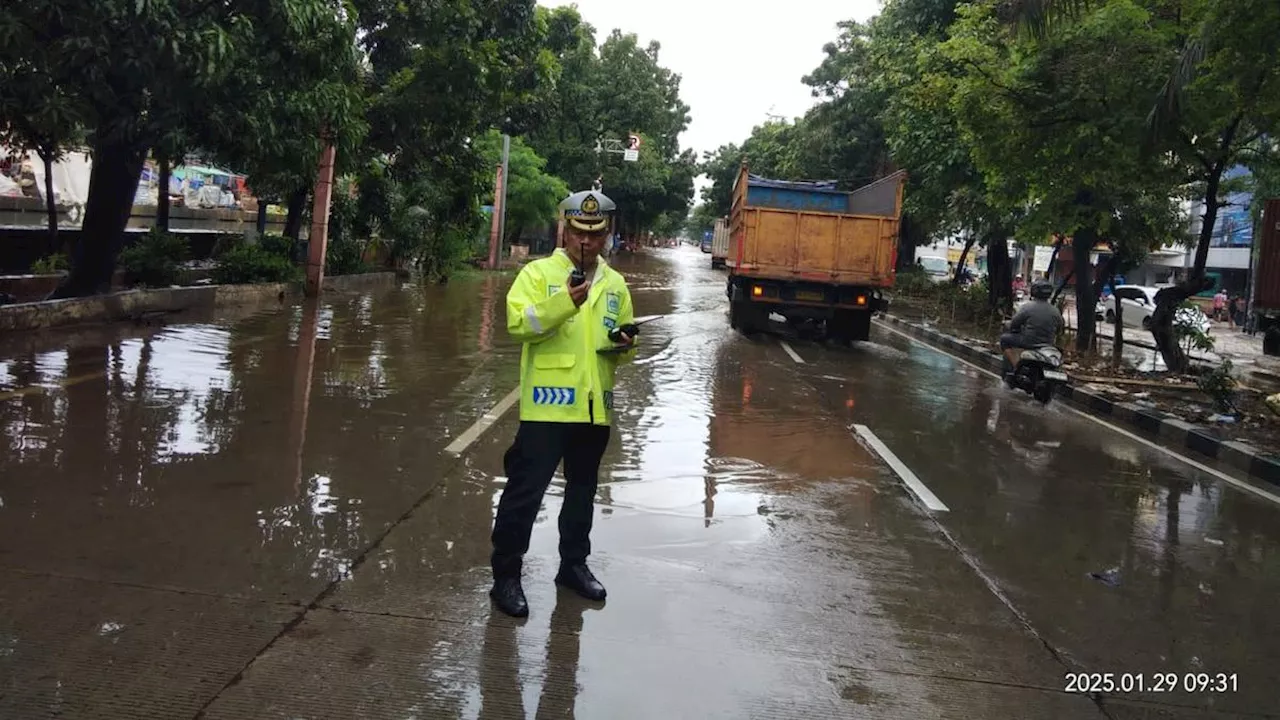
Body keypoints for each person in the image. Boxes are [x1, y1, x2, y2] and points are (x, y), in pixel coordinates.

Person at [489, 189, 637, 618]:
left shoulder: (615, 284)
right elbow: (519, 324)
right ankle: (506, 575)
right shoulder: (538, 275)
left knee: (582, 494)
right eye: (577, 233)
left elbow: (620, 346)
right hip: (546, 409)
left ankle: (573, 566)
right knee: (524, 494)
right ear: (565, 230)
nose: (586, 242)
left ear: (607, 234)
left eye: (595, 235)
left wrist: (625, 344)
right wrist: (562, 304)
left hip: (594, 410)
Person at [1000, 280, 1063, 374]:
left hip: (1028, 342)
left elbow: (1014, 323)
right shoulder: (1055, 311)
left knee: (1004, 339)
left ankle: (1016, 366)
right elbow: (1060, 329)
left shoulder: (1028, 307)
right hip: (1048, 344)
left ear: (1034, 291)